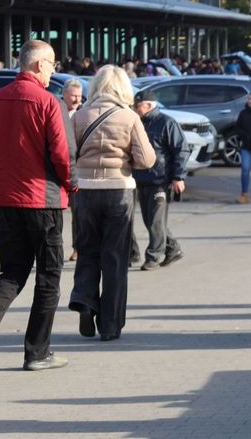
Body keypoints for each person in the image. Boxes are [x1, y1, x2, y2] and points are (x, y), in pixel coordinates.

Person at [0, 39, 74, 371]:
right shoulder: (47, 102)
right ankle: (36, 352)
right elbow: (60, 154)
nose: (53, 71)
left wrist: (0, 175)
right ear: (39, 64)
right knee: (49, 275)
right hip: (43, 201)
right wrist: (71, 184)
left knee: (12, 271)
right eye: (53, 64)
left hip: (5, 201)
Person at [68, 66, 155, 342]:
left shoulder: (79, 116)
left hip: (84, 191)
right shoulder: (129, 117)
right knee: (115, 259)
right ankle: (110, 324)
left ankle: (85, 300)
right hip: (119, 191)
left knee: (87, 249)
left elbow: (67, 153)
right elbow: (146, 160)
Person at [132, 90, 188, 271]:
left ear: (148, 105)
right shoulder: (138, 123)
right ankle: (173, 248)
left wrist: (178, 177)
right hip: (141, 178)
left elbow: (181, 151)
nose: (134, 108)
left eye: (137, 105)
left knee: (156, 221)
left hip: (160, 180)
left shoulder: (166, 123)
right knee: (151, 221)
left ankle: (153, 256)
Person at [62, 78, 84, 261]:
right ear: (64, 95)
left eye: (79, 96)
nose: (77, 100)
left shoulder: (85, 113)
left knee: (79, 211)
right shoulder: (57, 110)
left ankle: (78, 248)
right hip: (58, 166)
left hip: (78, 167)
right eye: (73, 96)